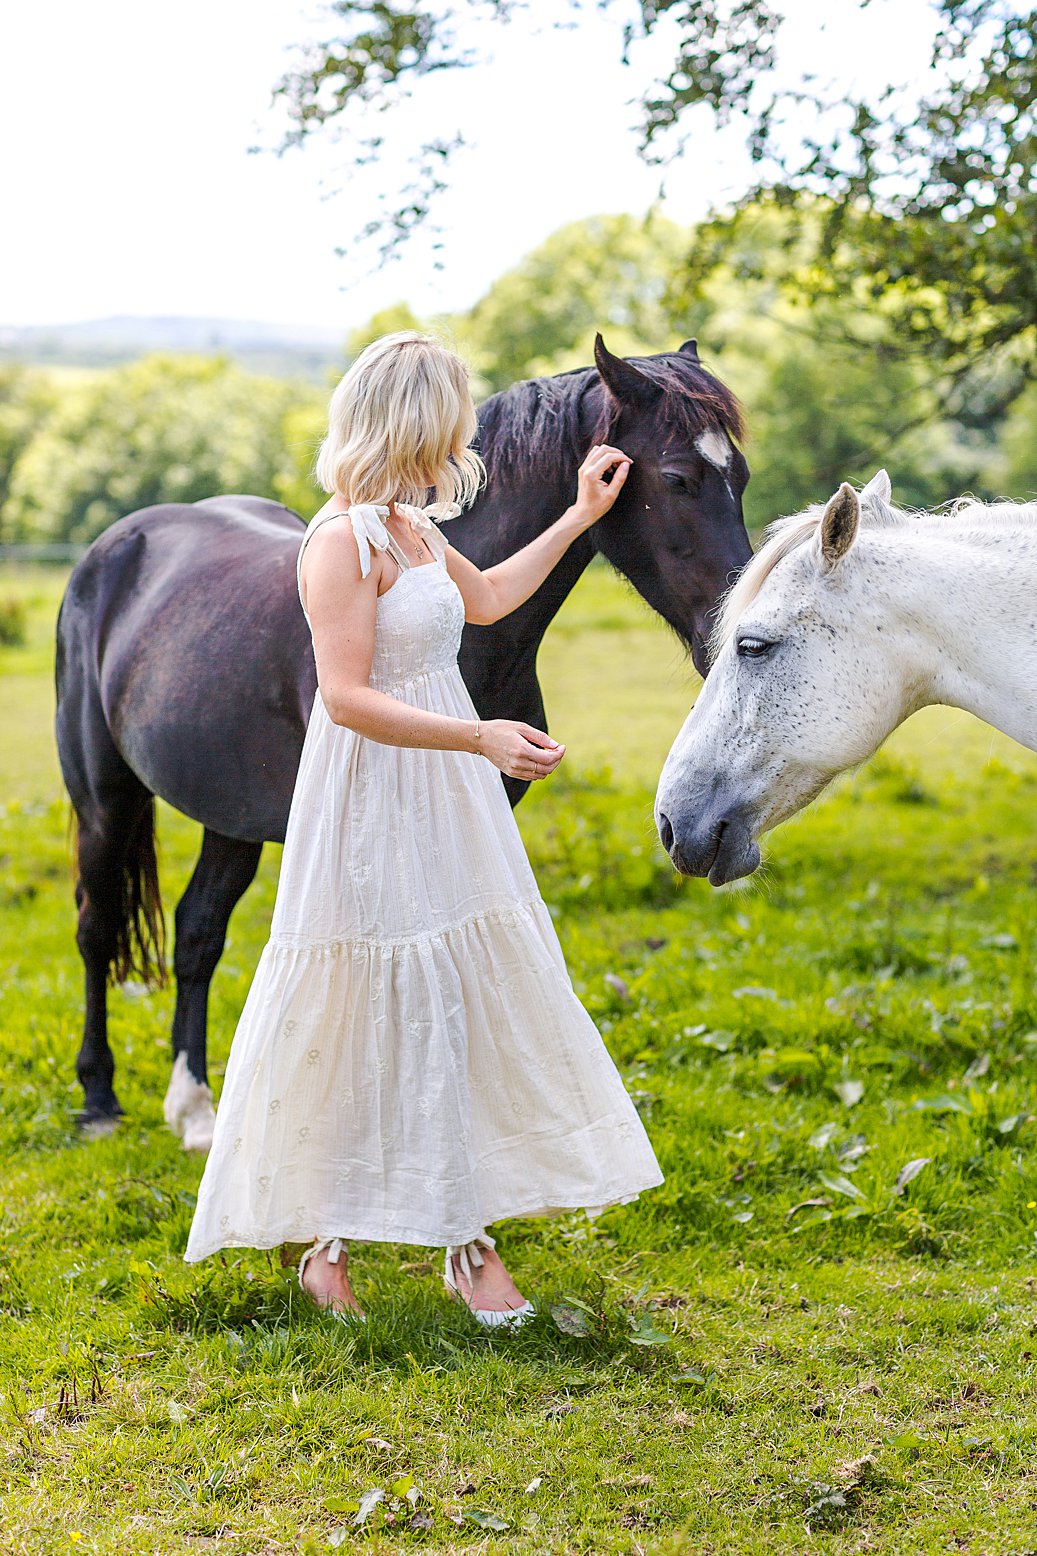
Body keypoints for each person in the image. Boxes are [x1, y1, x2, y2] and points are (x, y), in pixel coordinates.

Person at [183, 330, 662, 1324]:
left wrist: (578, 515)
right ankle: (324, 1242)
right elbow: (349, 698)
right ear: (413, 418)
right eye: (450, 414)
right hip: (371, 794)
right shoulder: (338, 541)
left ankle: (464, 1238)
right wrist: (476, 734)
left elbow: (485, 599)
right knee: (363, 993)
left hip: (443, 794)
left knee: (451, 989)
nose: (462, 432)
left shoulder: (413, 526)